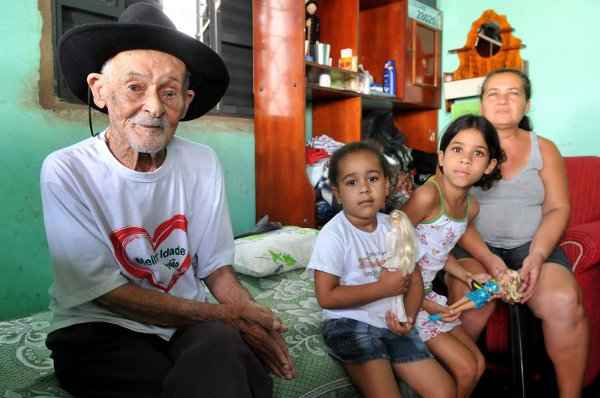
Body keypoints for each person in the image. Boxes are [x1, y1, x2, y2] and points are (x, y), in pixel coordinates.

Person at [40, 3, 294, 398]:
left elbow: (216, 269)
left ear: (187, 102)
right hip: (100, 326)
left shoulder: (202, 163)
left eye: (169, 92)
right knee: (218, 370)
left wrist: (248, 314)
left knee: (222, 350)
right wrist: (230, 317)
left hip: (187, 325)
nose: (154, 107)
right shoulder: (66, 170)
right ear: (100, 90)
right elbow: (106, 292)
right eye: (135, 87)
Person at [446, 68, 590, 397]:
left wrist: (537, 256)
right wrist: (491, 263)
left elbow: (558, 208)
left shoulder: (546, 149)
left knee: (564, 300)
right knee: (472, 301)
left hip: (532, 247)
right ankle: (453, 387)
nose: (502, 100)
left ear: (527, 105)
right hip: (475, 251)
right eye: (493, 93)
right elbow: (453, 213)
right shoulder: (464, 147)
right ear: (481, 103)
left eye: (513, 93)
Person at [307, 141, 455, 398]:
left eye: (372, 178)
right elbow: (326, 296)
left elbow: (415, 280)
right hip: (349, 323)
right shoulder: (334, 234)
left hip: (391, 322)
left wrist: (407, 319)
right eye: (352, 182)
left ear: (387, 185)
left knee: (444, 391)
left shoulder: (396, 227)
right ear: (338, 192)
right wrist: (382, 288)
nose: (364, 188)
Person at [401, 114, 504, 397]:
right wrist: (421, 303)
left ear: (489, 166)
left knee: (479, 364)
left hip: (425, 296)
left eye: (478, 153)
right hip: (401, 298)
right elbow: (389, 252)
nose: (466, 160)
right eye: (458, 150)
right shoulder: (427, 197)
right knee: (466, 369)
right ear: (442, 157)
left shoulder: (470, 207)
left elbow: (437, 249)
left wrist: (467, 276)